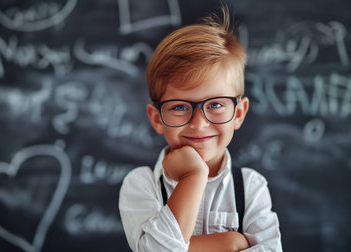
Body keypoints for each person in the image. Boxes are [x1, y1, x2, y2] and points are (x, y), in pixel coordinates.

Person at [118, 5, 282, 252]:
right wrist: (230, 243)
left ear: (238, 114)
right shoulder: (142, 184)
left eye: (216, 104)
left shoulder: (251, 187)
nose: (198, 123)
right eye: (180, 107)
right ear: (156, 118)